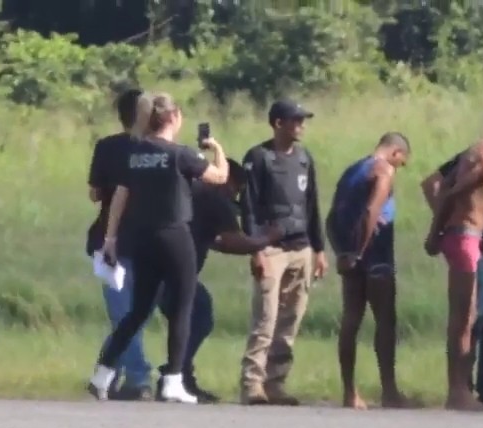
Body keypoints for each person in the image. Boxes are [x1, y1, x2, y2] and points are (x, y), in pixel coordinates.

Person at [86, 92, 230, 404]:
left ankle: (102, 373)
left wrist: (110, 238)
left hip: (141, 238)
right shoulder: (180, 154)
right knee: (182, 307)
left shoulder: (135, 154)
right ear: (173, 117)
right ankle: (173, 380)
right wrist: (217, 149)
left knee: (138, 310)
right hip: (174, 235)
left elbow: (120, 196)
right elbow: (219, 177)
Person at [156, 157, 283, 404]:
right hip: (175, 274)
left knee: (188, 319)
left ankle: (179, 375)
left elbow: (215, 240)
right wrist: (267, 238)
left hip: (158, 267)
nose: (235, 196)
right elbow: (233, 241)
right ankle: (173, 375)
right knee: (200, 317)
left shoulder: (189, 191)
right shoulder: (214, 199)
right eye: (236, 189)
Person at [420, 106, 483, 411]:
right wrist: (440, 227)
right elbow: (443, 189)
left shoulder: (481, 152)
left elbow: (444, 188)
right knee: (465, 318)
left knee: (471, 316)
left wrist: (440, 229)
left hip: (471, 236)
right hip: (468, 235)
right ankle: (458, 391)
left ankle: (466, 389)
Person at [237, 99, 329, 406]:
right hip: (271, 249)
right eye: (296, 120)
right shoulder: (258, 157)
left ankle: (275, 382)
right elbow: (249, 207)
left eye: (303, 120)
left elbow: (312, 205)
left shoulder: (304, 158)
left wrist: (319, 249)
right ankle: (252, 384)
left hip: (301, 247)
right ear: (278, 123)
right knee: (266, 318)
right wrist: (256, 249)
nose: (301, 126)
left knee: (290, 320)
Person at [326, 131, 419, 410]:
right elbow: (371, 211)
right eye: (402, 162)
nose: (399, 168)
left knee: (351, 320)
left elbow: (331, 217)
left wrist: (342, 253)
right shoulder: (383, 170)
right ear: (396, 153)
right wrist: (360, 251)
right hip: (376, 253)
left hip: (349, 254)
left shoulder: (351, 171)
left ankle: (349, 392)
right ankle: (389, 392)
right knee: (385, 321)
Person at [86, 87, 154, 401]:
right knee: (132, 314)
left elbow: (95, 193)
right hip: (148, 239)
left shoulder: (108, 146)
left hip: (110, 240)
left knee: (123, 313)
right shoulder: (160, 149)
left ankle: (108, 371)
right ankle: (137, 377)